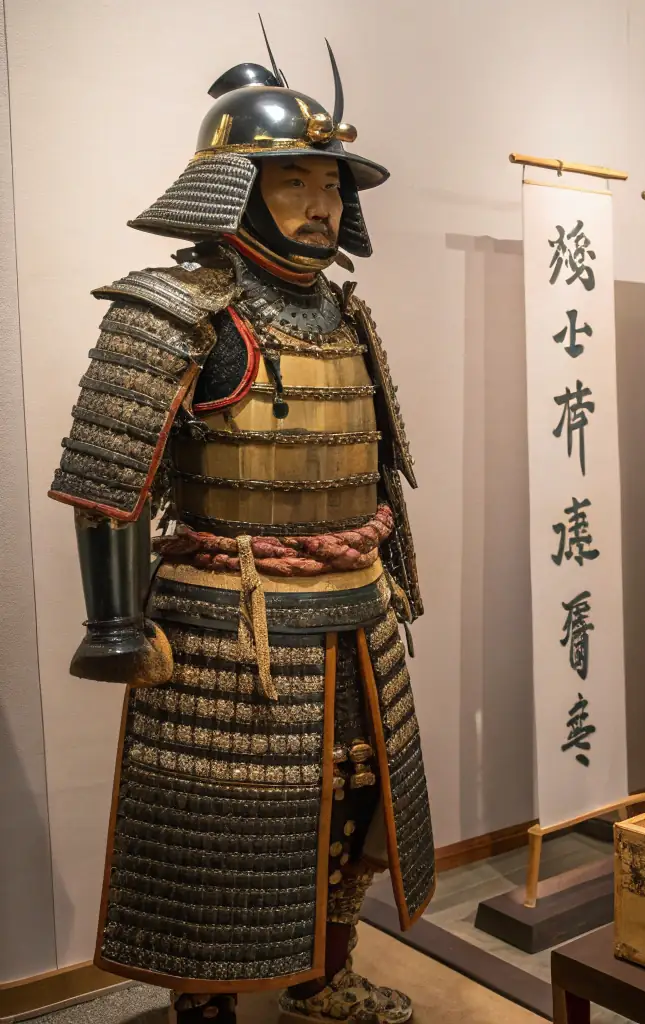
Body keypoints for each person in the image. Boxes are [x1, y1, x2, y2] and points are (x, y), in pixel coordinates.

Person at [48, 35, 434, 1024]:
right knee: (214, 824)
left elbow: (377, 465)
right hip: (228, 622)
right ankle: (205, 1000)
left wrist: (395, 578)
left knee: (351, 801)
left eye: (334, 188)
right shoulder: (178, 312)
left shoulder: (345, 315)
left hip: (353, 613)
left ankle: (321, 972)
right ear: (236, 190)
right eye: (297, 182)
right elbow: (110, 479)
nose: (323, 206)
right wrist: (116, 625)